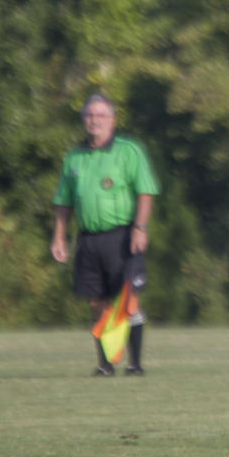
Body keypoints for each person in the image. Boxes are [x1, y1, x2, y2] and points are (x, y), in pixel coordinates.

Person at [51, 94, 160, 376]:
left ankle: (135, 364)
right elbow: (63, 201)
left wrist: (140, 227)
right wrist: (59, 236)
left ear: (112, 120)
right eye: (89, 115)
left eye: (100, 115)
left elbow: (146, 191)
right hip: (88, 238)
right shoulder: (74, 156)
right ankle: (105, 364)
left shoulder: (128, 150)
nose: (94, 120)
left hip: (122, 235)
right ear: (84, 119)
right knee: (96, 301)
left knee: (128, 298)